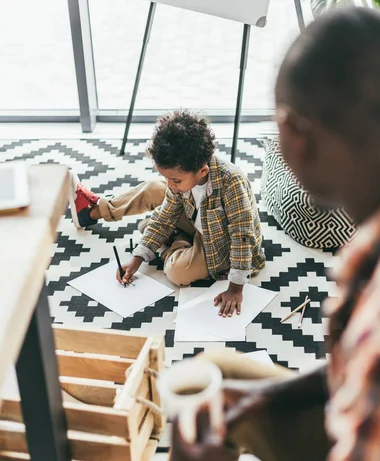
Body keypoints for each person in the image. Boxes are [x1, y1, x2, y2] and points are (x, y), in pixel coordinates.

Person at [64, 7, 380, 461]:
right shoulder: (375, 241)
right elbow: (361, 367)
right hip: (367, 458)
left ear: (294, 134)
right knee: (214, 379)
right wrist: (263, 392)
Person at [69, 109, 265, 317]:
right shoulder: (178, 183)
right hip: (196, 219)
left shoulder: (231, 182)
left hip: (221, 245)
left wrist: (235, 288)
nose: (170, 185)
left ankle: (176, 240)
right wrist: (137, 259)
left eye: (176, 180)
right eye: (167, 178)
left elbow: (242, 236)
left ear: (203, 172)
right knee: (156, 192)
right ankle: (95, 210)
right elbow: (164, 218)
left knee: (178, 272)